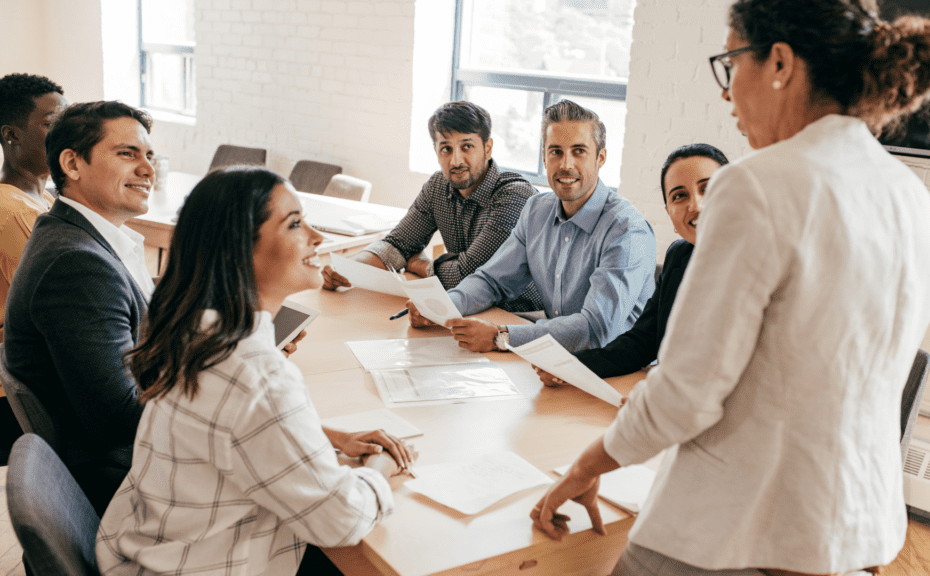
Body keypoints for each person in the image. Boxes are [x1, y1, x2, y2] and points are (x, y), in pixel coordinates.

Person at [531, 1, 930, 575]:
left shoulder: (755, 187)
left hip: (734, 531)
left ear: (780, 62)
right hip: (855, 531)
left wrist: (587, 466)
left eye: (731, 62)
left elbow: (687, 392)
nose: (726, 91)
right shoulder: (910, 197)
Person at [96, 167, 415, 576]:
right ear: (238, 250)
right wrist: (382, 469)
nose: (317, 238)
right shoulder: (254, 373)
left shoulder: (197, 331)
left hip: (147, 555)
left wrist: (323, 437)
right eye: (296, 224)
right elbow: (340, 520)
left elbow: (229, 429)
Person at [4, 101, 158, 513]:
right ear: (72, 164)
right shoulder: (78, 264)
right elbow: (119, 419)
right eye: (127, 153)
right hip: (127, 485)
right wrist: (225, 389)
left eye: (149, 155)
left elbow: (140, 333)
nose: (148, 169)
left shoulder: (77, 236)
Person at [410, 100, 657, 354]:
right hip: (557, 361)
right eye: (556, 152)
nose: (566, 165)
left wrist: (502, 337)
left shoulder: (628, 230)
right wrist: (441, 306)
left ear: (600, 158)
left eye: (579, 151)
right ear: (544, 157)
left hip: (619, 371)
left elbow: (597, 329)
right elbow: (492, 280)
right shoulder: (536, 210)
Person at [321, 101, 543, 312]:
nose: (456, 161)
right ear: (436, 150)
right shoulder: (438, 186)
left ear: (488, 148)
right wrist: (347, 269)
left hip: (520, 316)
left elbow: (469, 276)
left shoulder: (514, 195)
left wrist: (424, 265)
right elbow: (397, 245)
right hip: (466, 307)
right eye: (446, 149)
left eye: (467, 147)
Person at [537, 144, 729, 385]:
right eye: (679, 196)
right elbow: (642, 341)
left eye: (708, 188)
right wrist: (574, 366)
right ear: (669, 212)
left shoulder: (767, 262)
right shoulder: (680, 256)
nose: (696, 205)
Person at [0, 73, 66, 328]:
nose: (67, 134)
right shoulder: (14, 212)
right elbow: (54, 305)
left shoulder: (43, 198)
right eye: (52, 124)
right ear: (11, 135)